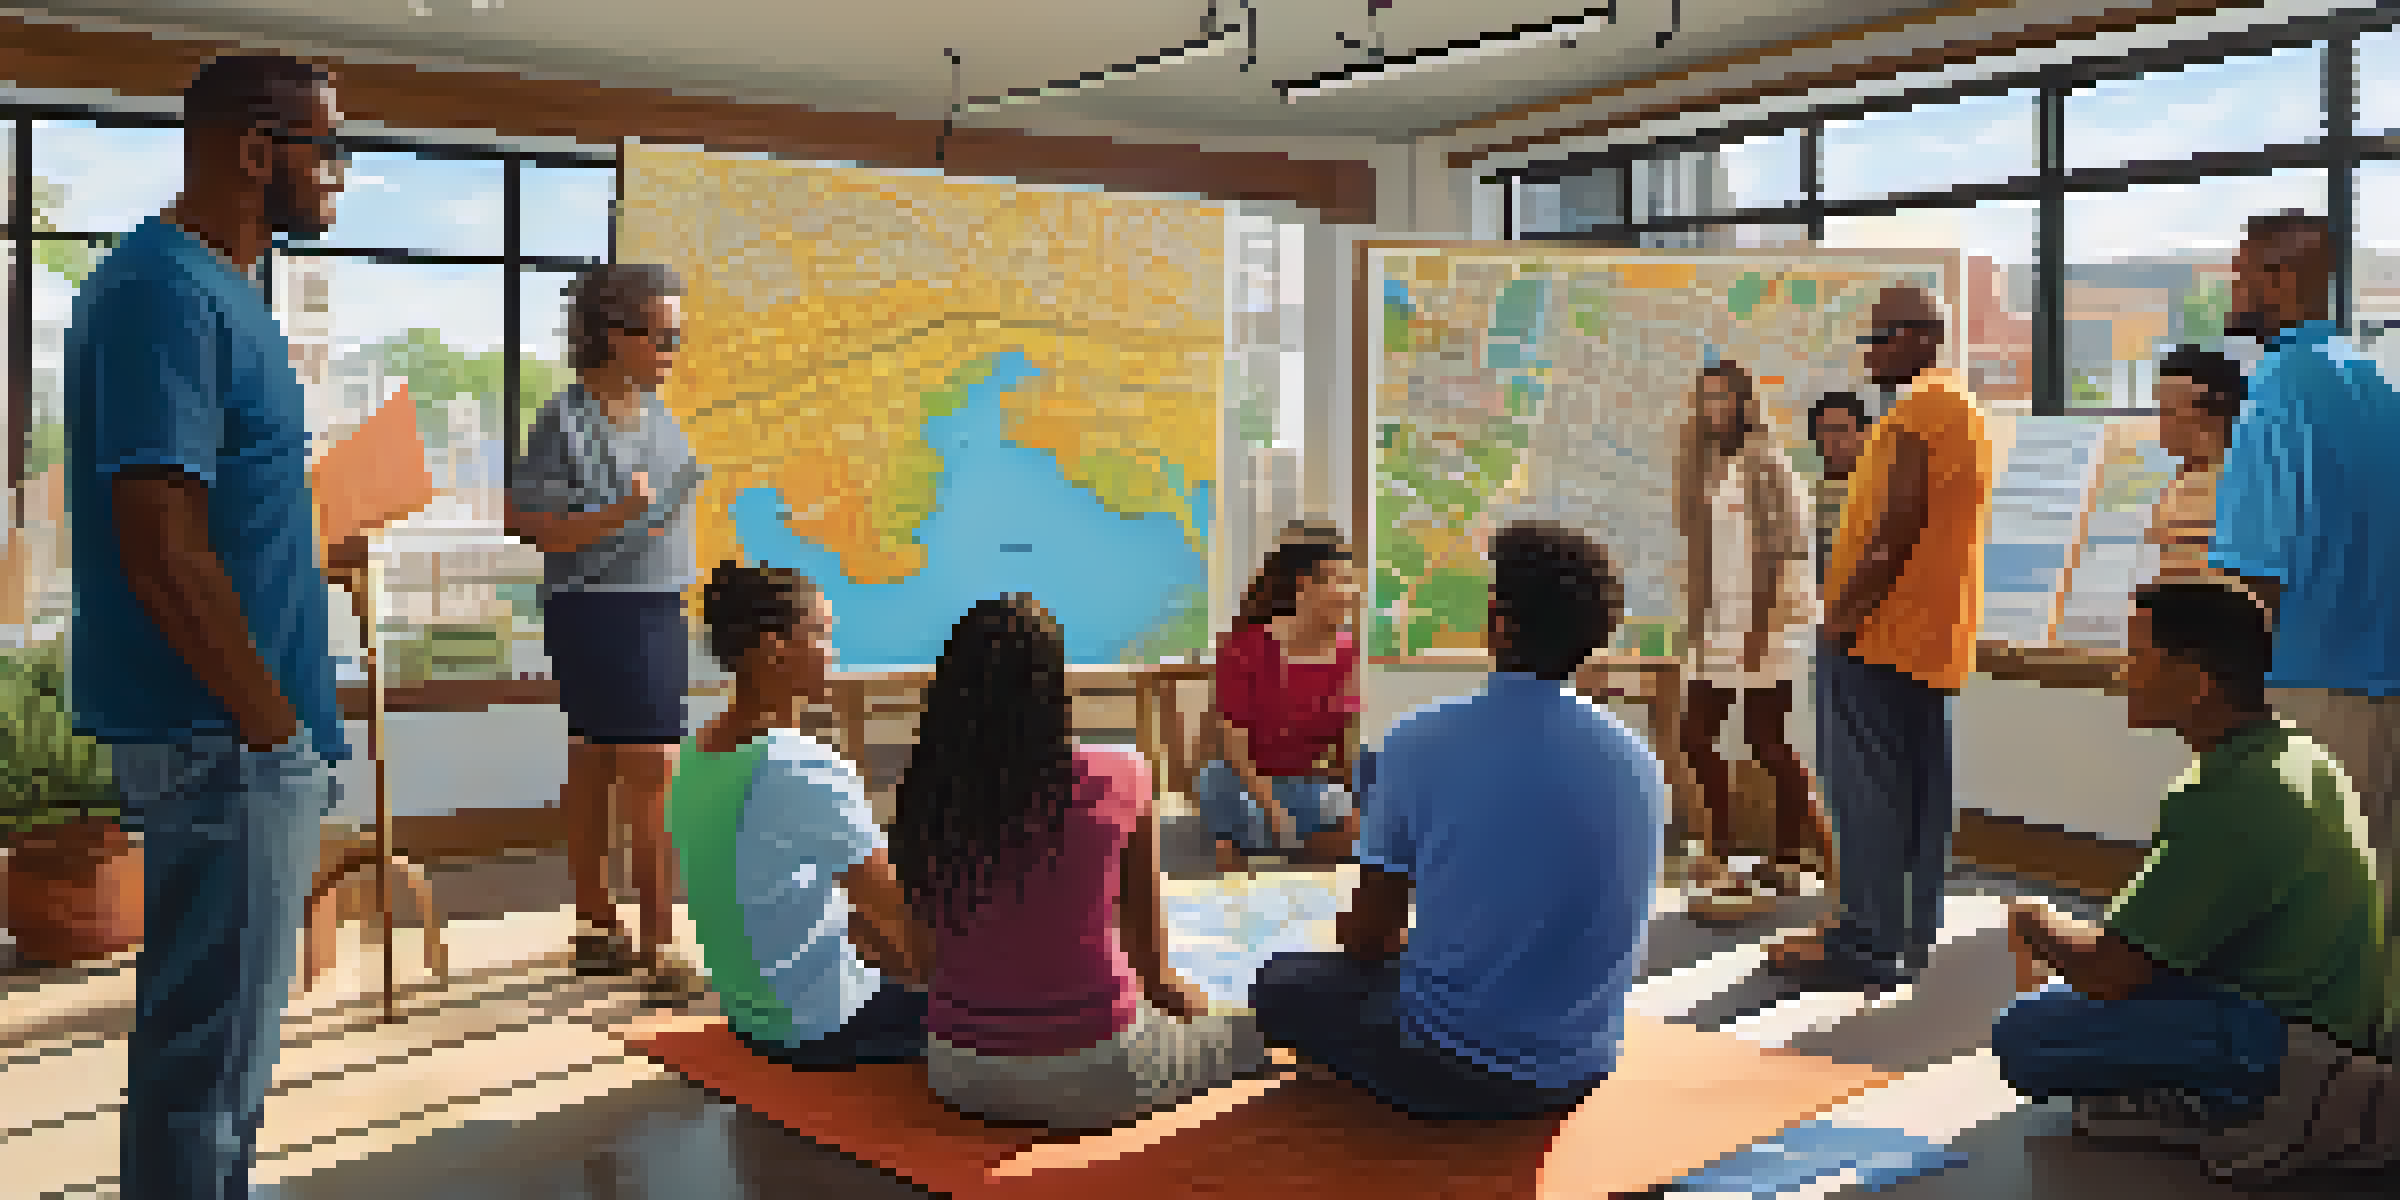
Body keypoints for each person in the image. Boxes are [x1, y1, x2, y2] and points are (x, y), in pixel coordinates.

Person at [65, 53, 366, 1199]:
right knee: (211, 1059)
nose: (339, 172)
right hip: (222, 737)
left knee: (217, 1046)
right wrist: (270, 728)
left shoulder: (225, 287)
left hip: (234, 732)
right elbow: (158, 541)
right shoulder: (162, 291)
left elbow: (213, 509)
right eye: (327, 147)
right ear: (255, 150)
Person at [1250, 521, 1667, 1120]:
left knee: (1281, 983)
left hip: (1448, 1067)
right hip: (1582, 1067)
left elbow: (1368, 937)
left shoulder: (1419, 741)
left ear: (1498, 622)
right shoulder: (1640, 762)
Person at [1992, 580, 2390, 1144]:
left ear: (2197, 684)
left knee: (2026, 1034)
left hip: (2289, 1035)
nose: (2121, 673)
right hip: (2332, 1015)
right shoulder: (2300, 755)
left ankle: (2289, 1099)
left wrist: (2033, 919)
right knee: (2066, 1002)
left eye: (2137, 657)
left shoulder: (2227, 796)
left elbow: (2111, 973)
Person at [892, 594, 1268, 1133]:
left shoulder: (925, 795)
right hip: (1101, 1072)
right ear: (1054, 687)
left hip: (955, 1071)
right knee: (1271, 1025)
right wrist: (1200, 1010)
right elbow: (1156, 974)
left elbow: (922, 961)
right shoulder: (1122, 772)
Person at [1768, 284, 1994, 992]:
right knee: (1917, 798)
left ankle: (1863, 942)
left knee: (1864, 794)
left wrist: (1838, 621)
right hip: (1930, 642)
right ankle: (1904, 937)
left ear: (1924, 335)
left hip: (1877, 640)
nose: (1869, 352)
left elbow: (1891, 534)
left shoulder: (1918, 412)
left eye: (1880, 337)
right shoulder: (1960, 408)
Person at [507, 263, 712, 1002]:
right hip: (596, 609)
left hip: (657, 606)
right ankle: (660, 945)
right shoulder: (562, 419)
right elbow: (529, 525)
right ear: (610, 334)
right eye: (661, 335)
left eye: (677, 335)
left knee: (596, 757)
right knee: (651, 764)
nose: (671, 349)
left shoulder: (660, 415)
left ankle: (596, 924)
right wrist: (615, 519)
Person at [2211, 210, 2400, 950]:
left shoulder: (2280, 383)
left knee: (2296, 910)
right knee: (2375, 900)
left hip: (2308, 678)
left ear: (2280, 278)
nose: (2233, 286)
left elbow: (2255, 567)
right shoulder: (2378, 378)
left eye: (2241, 271)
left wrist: (2232, 700)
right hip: (2384, 678)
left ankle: (2307, 1065)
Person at [669, 563, 934, 1068]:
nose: (833, 653)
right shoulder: (796, 764)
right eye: (823, 633)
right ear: (775, 648)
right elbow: (898, 909)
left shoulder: (696, 753)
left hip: (749, 1016)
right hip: (822, 1026)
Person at [1671, 361, 1829, 914]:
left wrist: (1759, 631)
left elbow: (1777, 552)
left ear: (1745, 403)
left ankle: (1809, 854)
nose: (1714, 410)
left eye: (1724, 399)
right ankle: (1723, 851)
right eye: (1706, 399)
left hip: (1765, 623)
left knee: (1768, 742)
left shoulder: (1766, 464)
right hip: (1720, 623)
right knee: (1695, 735)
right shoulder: (1713, 464)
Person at [1199, 522, 1364, 874]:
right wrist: (1272, 807)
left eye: (1352, 581)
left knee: (1361, 808)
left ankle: (1261, 849)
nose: (1351, 593)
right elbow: (1234, 749)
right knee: (1216, 781)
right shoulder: (1243, 648)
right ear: (1303, 586)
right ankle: (1266, 843)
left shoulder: (1348, 651)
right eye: (1341, 581)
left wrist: (1354, 802)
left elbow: (1346, 743)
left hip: (1307, 786)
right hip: (1246, 784)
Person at [2146, 346, 2244, 582]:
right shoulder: (2187, 481)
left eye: (2167, 411)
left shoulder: (2199, 493)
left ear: (2209, 414)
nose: (2160, 423)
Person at [1808, 391, 1870, 585]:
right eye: (1825, 432)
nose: (1833, 440)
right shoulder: (1806, 498)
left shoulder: (1882, 493)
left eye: (1842, 429)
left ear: (1865, 434)